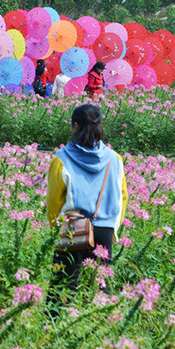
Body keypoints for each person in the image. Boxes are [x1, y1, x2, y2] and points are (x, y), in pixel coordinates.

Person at [46, 104, 128, 310]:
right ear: (100, 126)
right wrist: (112, 228)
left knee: (63, 287)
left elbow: (55, 200)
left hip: (74, 225)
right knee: (100, 288)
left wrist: (55, 228)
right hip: (104, 228)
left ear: (74, 126)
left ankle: (53, 331)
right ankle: (100, 333)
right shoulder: (115, 159)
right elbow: (122, 197)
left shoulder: (62, 158)